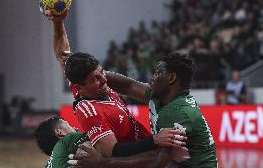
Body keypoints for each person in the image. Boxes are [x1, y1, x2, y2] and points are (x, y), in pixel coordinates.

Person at [41, 9, 186, 159]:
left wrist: (57, 22)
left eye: (102, 72)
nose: (104, 81)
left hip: (152, 155)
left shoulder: (84, 81)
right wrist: (154, 140)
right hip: (139, 163)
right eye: (95, 80)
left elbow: (63, 54)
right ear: (79, 87)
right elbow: (112, 151)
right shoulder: (89, 112)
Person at [101, 52, 219, 168]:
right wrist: (98, 74)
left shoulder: (178, 113)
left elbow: (156, 162)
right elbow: (129, 86)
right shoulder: (160, 96)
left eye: (158, 72)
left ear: (172, 78)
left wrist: (99, 164)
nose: (152, 77)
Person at [35, 117, 185, 168]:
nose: (74, 128)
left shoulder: (49, 165)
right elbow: (106, 142)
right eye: (68, 125)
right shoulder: (69, 140)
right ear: (60, 132)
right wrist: (154, 140)